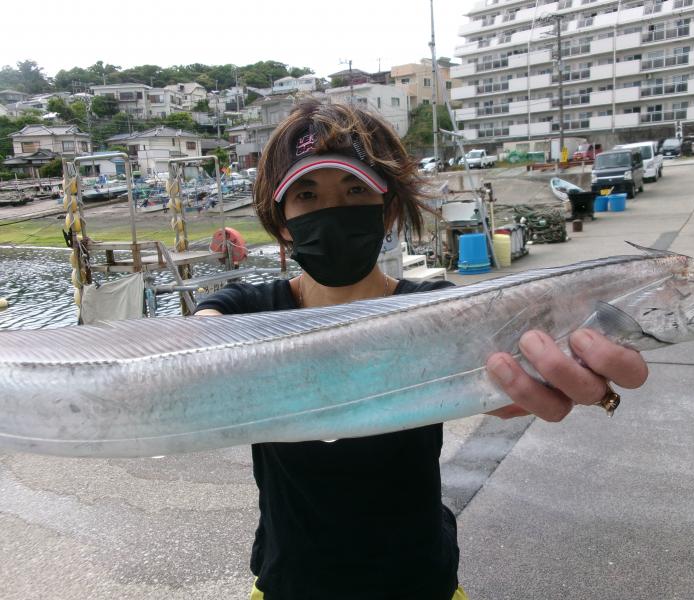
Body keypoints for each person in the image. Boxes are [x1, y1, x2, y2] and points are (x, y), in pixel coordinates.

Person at [195, 99, 648, 600]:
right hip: (287, 585)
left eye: (354, 190)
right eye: (307, 195)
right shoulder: (249, 310)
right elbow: (189, 343)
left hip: (421, 582)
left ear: (387, 208)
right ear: (283, 221)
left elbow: (507, 368)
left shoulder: (440, 310)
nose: (333, 210)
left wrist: (568, 374)